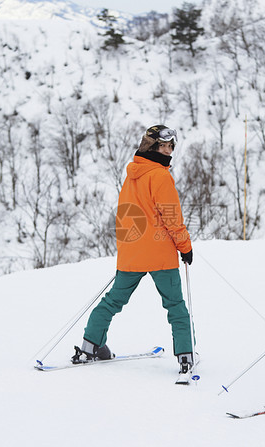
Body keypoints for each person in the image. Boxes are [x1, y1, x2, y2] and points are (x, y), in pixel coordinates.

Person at [73, 124, 195, 374]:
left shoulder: (132, 175)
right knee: (175, 305)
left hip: (132, 253)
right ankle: (185, 355)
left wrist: (128, 247)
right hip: (161, 255)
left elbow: (127, 214)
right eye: (164, 145)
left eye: (172, 146)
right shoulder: (160, 176)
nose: (169, 150)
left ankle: (90, 346)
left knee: (112, 301)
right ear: (152, 146)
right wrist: (185, 246)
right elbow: (172, 217)